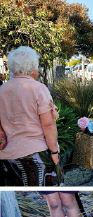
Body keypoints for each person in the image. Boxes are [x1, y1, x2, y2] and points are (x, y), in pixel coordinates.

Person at [0, 46, 61, 186]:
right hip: (35, 154)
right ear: (33, 66)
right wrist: (54, 152)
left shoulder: (1, 90)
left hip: (7, 157)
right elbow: (48, 124)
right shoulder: (38, 89)